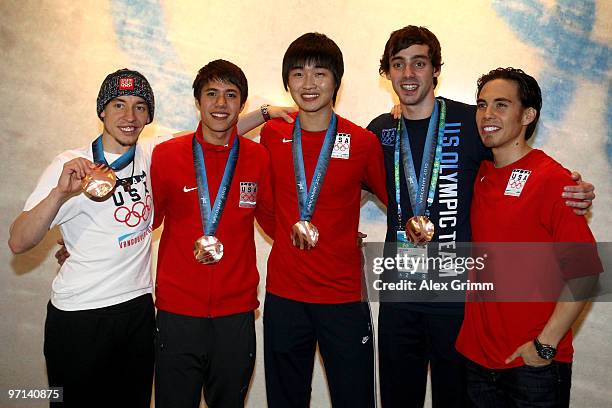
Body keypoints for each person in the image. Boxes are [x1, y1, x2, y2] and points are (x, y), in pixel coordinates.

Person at [366, 26, 596, 408]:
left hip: (458, 304)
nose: (408, 74)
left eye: (419, 63)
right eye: (398, 64)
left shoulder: (471, 122)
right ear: (387, 73)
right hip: (400, 297)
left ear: (435, 70)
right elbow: (352, 185)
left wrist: (574, 186)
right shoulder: (381, 130)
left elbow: (519, 159)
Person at [8, 69, 158, 407]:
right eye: (118, 105)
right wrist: (60, 194)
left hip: (137, 311)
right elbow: (18, 241)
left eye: (139, 106)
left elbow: (214, 130)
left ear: (149, 115)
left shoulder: (151, 154)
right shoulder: (70, 164)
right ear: (102, 111)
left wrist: (267, 113)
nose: (129, 116)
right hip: (80, 316)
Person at [455, 67, 601, 407]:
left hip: (532, 368)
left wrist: (544, 346)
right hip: (477, 363)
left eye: (501, 105)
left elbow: (587, 272)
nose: (487, 114)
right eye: (482, 104)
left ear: (528, 115)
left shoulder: (552, 180)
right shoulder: (480, 173)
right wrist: (402, 109)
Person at [260, 32, 388, 407]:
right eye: (298, 74)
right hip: (285, 294)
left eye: (321, 73)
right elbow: (263, 203)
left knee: (354, 398)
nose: (309, 84)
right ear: (287, 82)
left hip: (342, 294)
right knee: (286, 399)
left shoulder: (361, 142)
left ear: (337, 80)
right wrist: (264, 111)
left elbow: (394, 201)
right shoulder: (273, 134)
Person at [150, 59, 275, 408]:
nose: (221, 104)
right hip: (178, 313)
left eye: (231, 95)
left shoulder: (258, 158)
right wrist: (82, 239)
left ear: (242, 104)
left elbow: (275, 223)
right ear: (198, 101)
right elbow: (144, 221)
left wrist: (329, 235)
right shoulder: (166, 155)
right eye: (212, 94)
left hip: (235, 315)